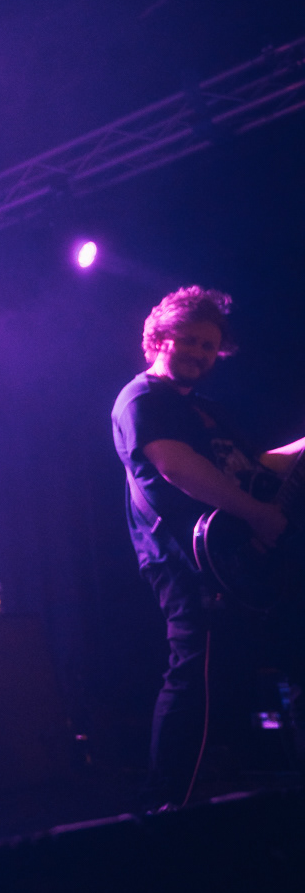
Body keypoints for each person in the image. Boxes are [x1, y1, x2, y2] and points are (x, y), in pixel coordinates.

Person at [111, 286, 305, 808]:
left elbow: (253, 467)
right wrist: (259, 514)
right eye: (191, 340)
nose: (200, 353)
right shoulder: (143, 399)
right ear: (160, 337)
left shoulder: (208, 411)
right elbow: (177, 467)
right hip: (189, 561)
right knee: (194, 678)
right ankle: (165, 810)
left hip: (239, 560)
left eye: (209, 346)